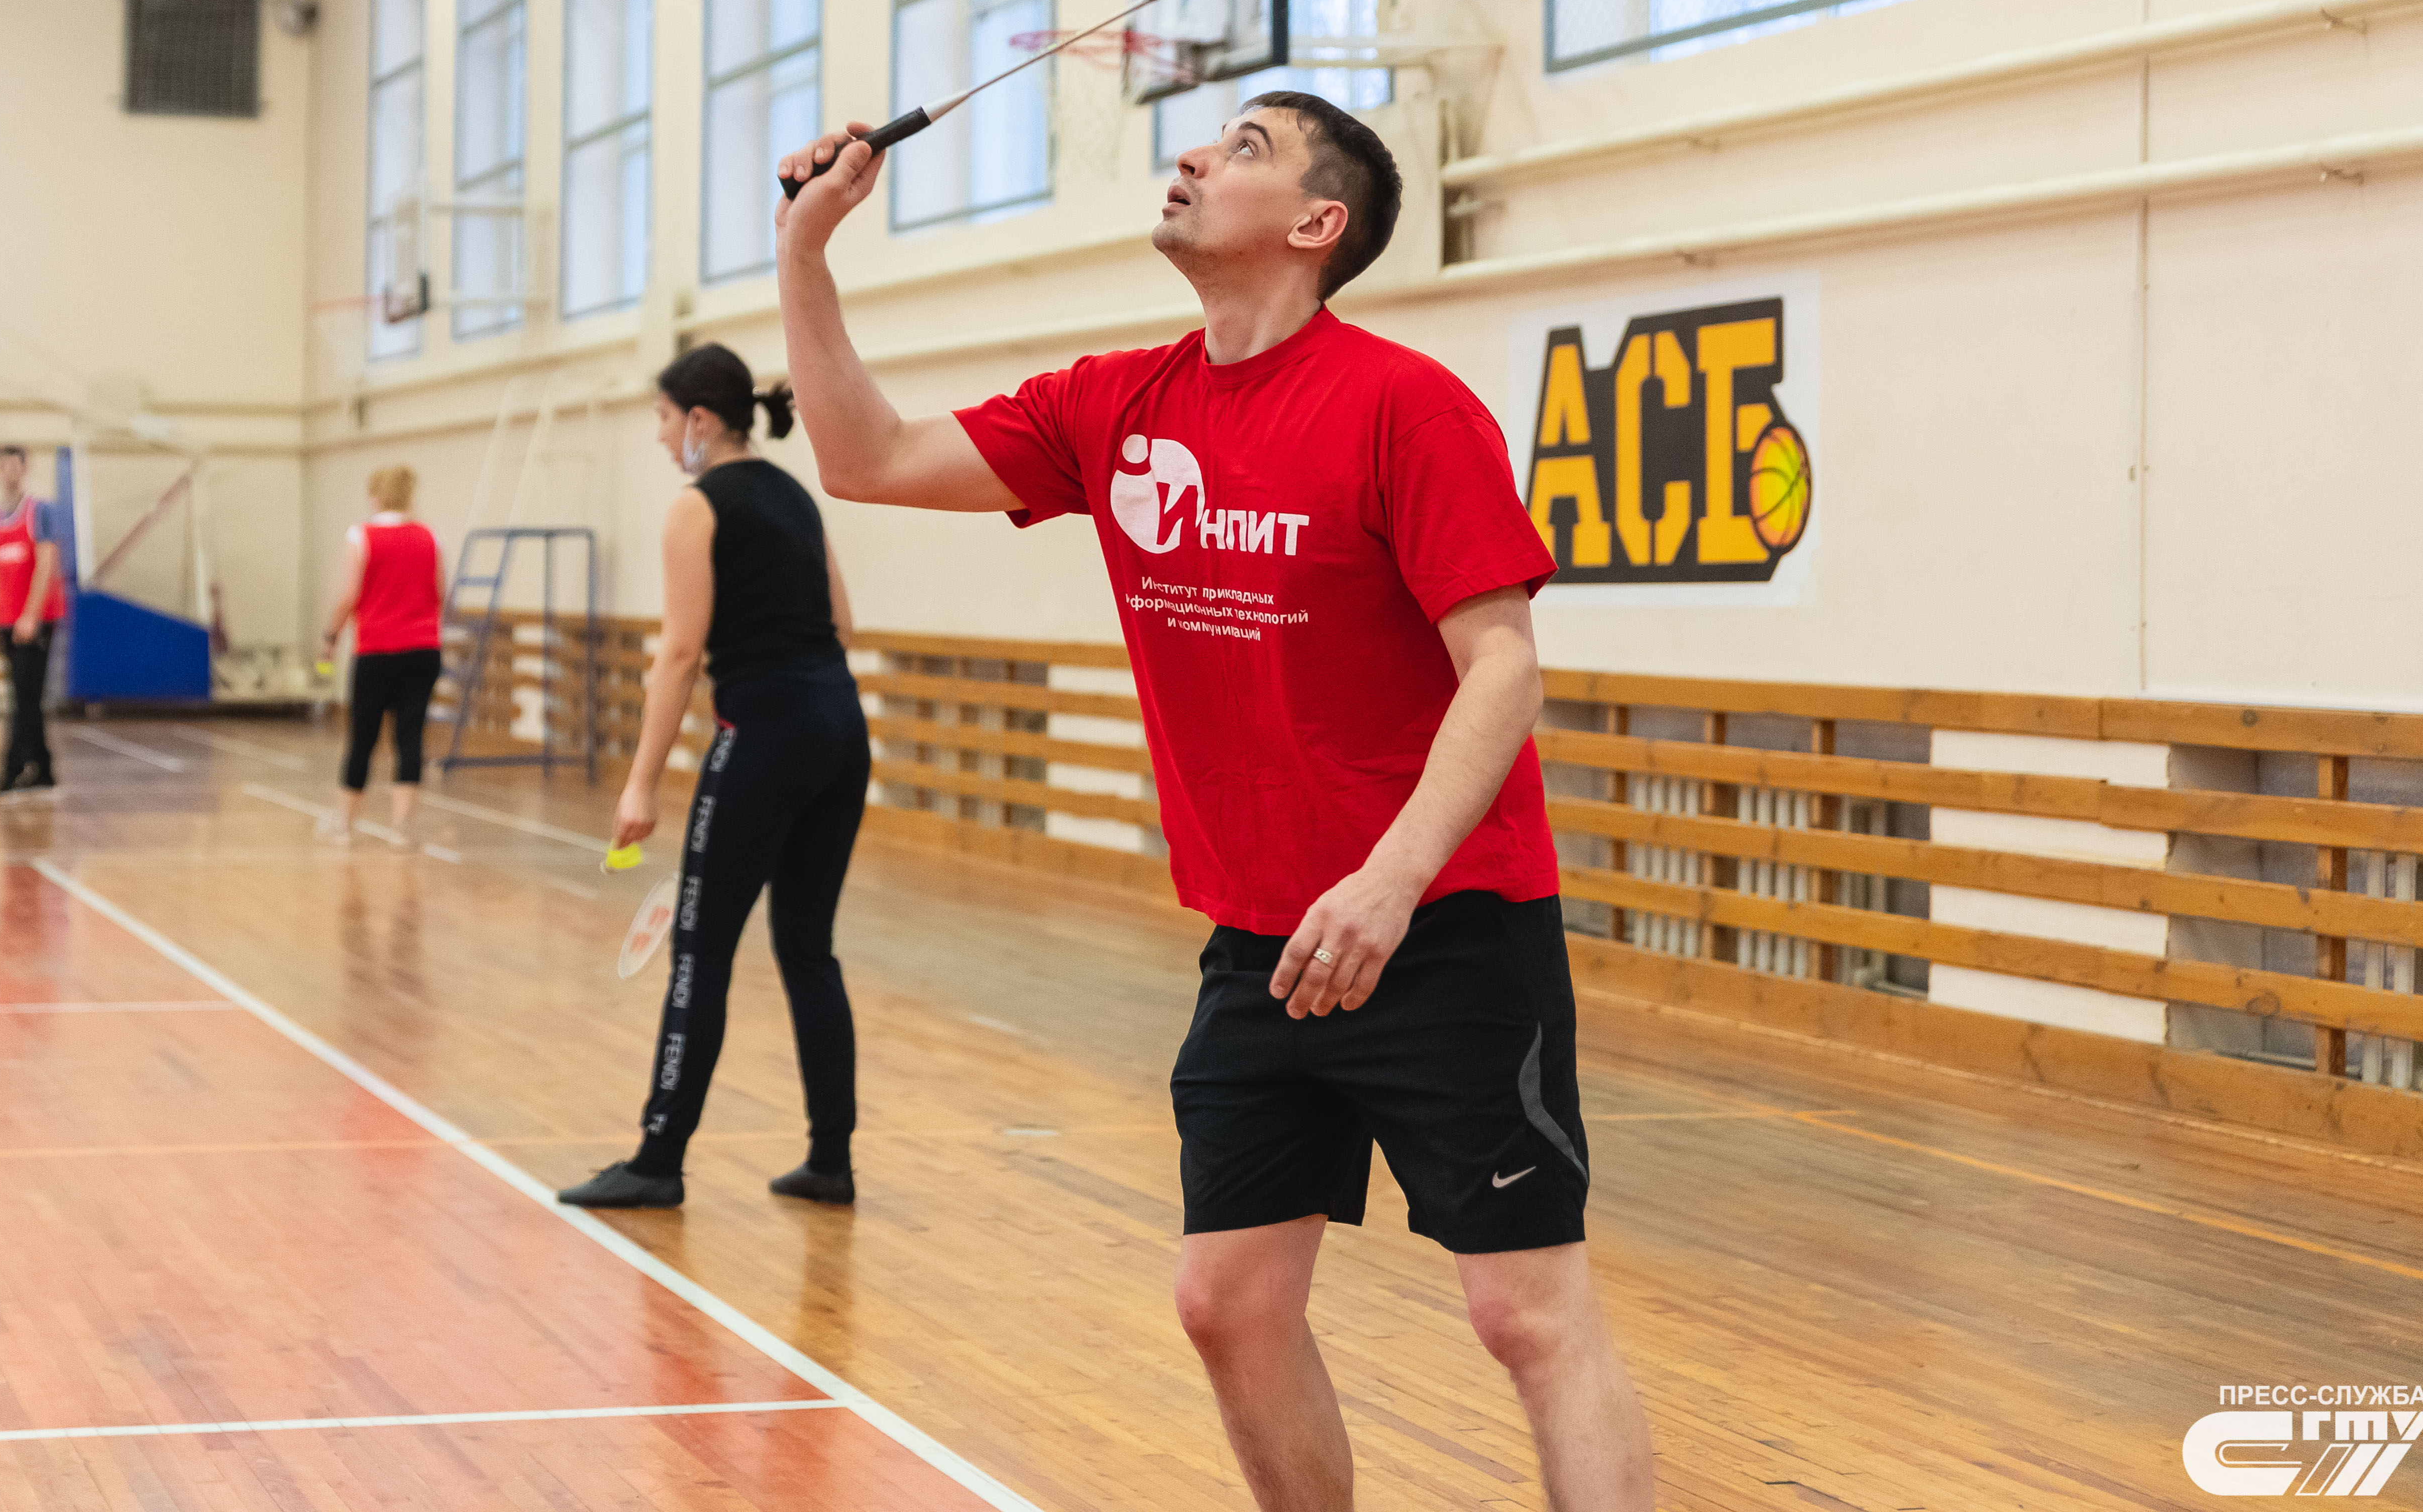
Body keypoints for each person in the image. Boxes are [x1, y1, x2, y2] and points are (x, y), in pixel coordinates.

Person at [772, 94, 1655, 1511]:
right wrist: (805, 252)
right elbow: (863, 457)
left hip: (1443, 927)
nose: (1190, 153)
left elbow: (1502, 667)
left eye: (1244, 147)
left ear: (1317, 224)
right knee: (1225, 1300)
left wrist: (1388, 879)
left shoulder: (1403, 404)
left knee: (1524, 1314)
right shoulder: (1112, 406)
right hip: (1260, 944)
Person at [559, 343, 867, 1212]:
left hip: (763, 733)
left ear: (699, 419)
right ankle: (829, 1158)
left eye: (663, 419)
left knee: (699, 947)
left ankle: (657, 1159)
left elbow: (681, 653)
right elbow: (843, 622)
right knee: (807, 945)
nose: (661, 438)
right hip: (839, 727)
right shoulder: (794, 495)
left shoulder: (697, 507)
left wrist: (639, 784)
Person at [320, 464, 445, 846]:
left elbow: (350, 595)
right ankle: (402, 828)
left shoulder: (362, 536)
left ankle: (344, 824)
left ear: (376, 495)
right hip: (423, 649)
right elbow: (441, 592)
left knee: (363, 736)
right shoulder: (430, 536)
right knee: (410, 736)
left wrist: (331, 635)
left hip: (376, 649)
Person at [0, 444, 66, 801]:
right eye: (1, 466)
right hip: (5, 621)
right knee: (24, 697)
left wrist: (30, 615)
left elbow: (47, 565)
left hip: (36, 621)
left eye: (14, 465)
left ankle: (10, 772)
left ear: (26, 468)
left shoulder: (40, 512)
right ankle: (44, 772)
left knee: (24, 698)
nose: (8, 472)